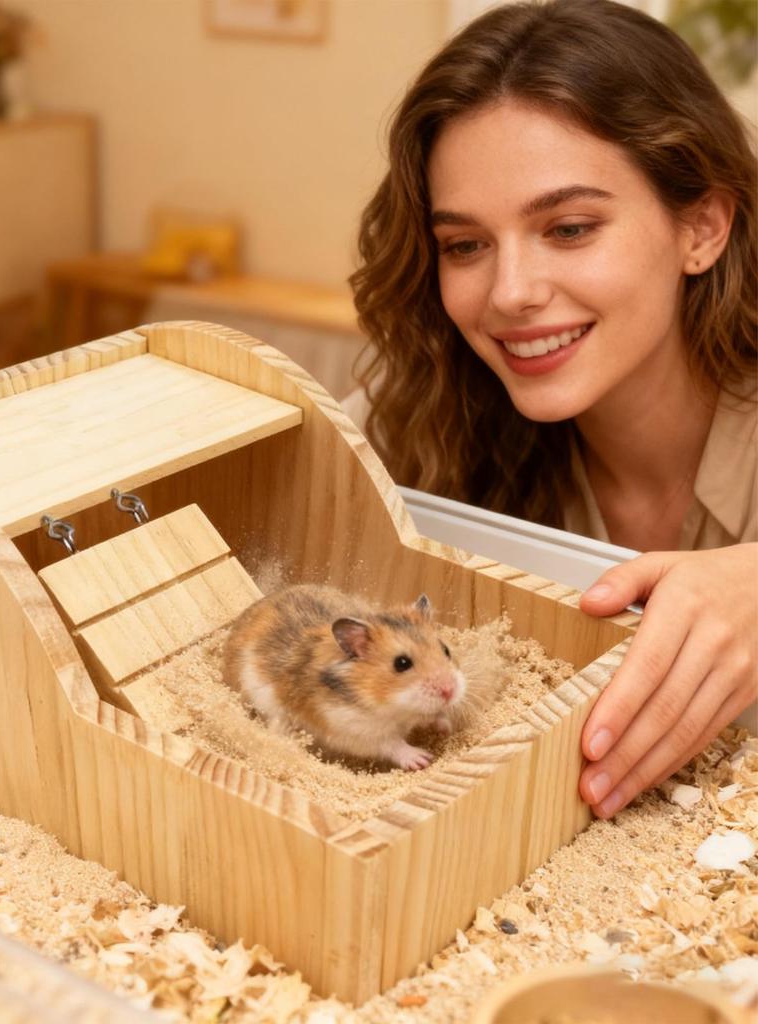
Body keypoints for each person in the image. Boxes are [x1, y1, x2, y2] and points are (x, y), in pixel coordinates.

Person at [345, 0, 757, 819]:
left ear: (701, 227)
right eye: (465, 246)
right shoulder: (427, 411)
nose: (510, 294)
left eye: (568, 228)